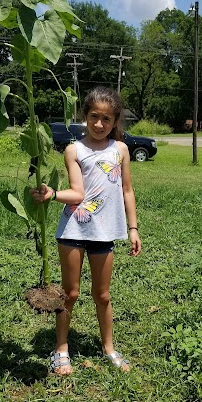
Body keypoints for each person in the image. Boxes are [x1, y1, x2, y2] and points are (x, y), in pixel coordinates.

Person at [31, 86, 141, 376]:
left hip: (104, 233)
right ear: (84, 116)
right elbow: (77, 192)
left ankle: (109, 348)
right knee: (70, 293)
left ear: (115, 121)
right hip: (73, 232)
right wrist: (53, 194)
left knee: (102, 295)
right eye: (94, 117)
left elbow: (127, 190)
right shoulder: (73, 150)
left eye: (107, 119)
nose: (99, 124)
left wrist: (133, 228)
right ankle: (62, 348)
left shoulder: (121, 150)